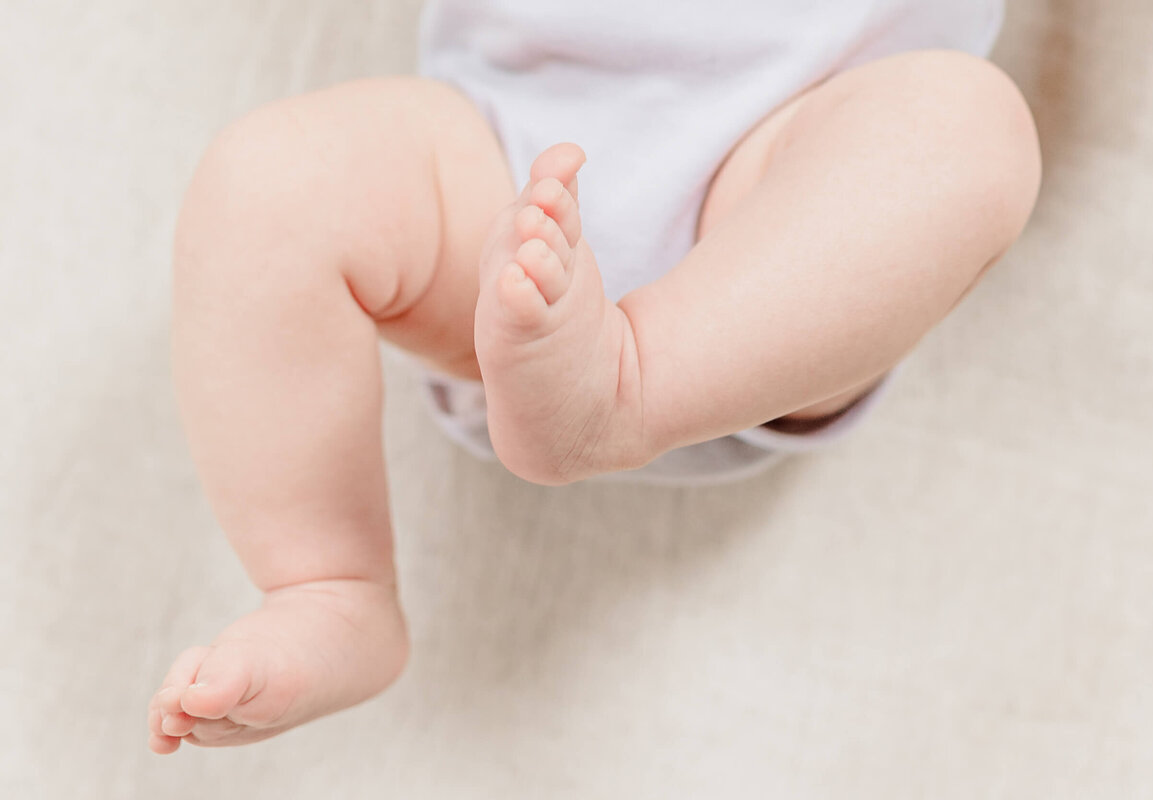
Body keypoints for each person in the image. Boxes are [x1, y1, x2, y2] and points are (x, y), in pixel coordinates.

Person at [148, 0, 1041, 753]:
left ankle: (626, 388)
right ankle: (326, 584)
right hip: (500, 160)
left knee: (968, 126)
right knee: (269, 181)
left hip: (791, 181)